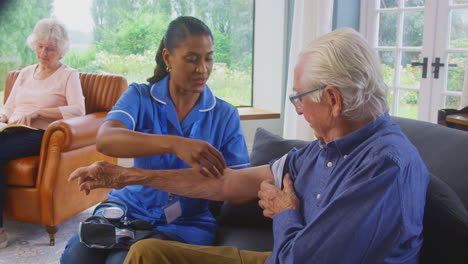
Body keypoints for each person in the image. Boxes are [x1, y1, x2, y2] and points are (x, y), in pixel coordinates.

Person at [69, 28, 429, 264]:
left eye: (299, 97)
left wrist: (286, 211)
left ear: (333, 100)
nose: (298, 108)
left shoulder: (383, 167)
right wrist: (128, 175)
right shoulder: (321, 150)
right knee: (146, 254)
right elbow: (228, 182)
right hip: (285, 254)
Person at [61, 16, 250, 264]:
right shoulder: (140, 96)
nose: (202, 69)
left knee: (120, 260)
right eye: (192, 59)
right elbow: (106, 139)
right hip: (128, 208)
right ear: (168, 57)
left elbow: (241, 189)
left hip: (186, 223)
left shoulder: (225, 115)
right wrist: (175, 143)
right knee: (77, 254)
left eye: (208, 58)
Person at [0, 18, 85, 249]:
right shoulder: (25, 73)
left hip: (40, 135)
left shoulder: (68, 75)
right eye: (40, 46)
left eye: (50, 48)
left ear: (61, 50)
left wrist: (39, 112)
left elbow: (78, 110)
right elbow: (8, 107)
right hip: (10, 130)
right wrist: (2, 117)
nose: (43, 52)